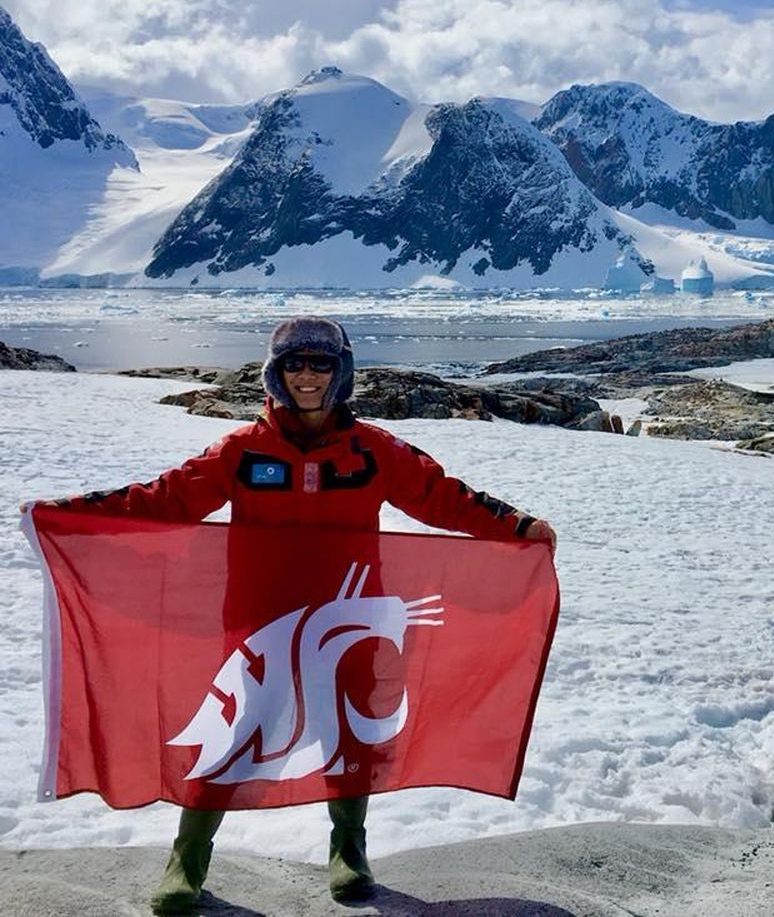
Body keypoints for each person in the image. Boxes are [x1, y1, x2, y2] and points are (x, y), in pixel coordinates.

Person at [22, 317, 557, 914]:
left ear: (341, 372)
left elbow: (443, 495)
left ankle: (349, 849)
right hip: (260, 619)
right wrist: (76, 514)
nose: (308, 375)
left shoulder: (375, 450)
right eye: (294, 364)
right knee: (232, 736)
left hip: (351, 614)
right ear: (275, 374)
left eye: (320, 363)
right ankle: (188, 860)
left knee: (351, 730)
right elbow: (167, 497)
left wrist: (515, 525)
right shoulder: (241, 449)